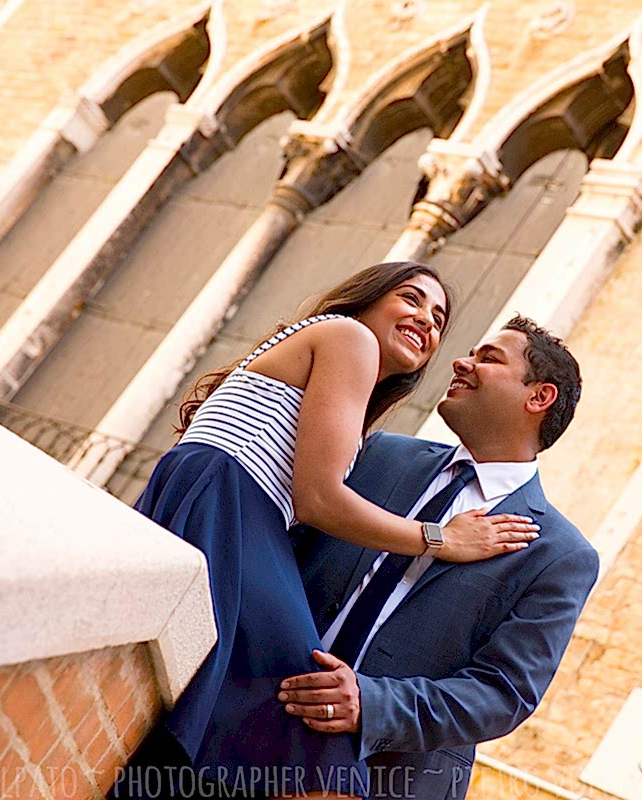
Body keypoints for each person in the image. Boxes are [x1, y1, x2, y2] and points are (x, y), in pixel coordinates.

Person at [110, 264, 540, 799]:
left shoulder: (342, 360)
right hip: (231, 508)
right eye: (411, 299)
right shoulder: (349, 336)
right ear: (367, 300)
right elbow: (318, 499)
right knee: (315, 735)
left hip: (230, 509)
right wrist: (440, 539)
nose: (426, 323)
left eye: (438, 319)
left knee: (260, 719)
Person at [284, 315, 599, 800]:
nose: (461, 361)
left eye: (488, 358)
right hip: (251, 720)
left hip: (382, 779)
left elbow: (503, 693)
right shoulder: (380, 454)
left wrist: (370, 703)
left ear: (539, 397)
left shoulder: (560, 555)